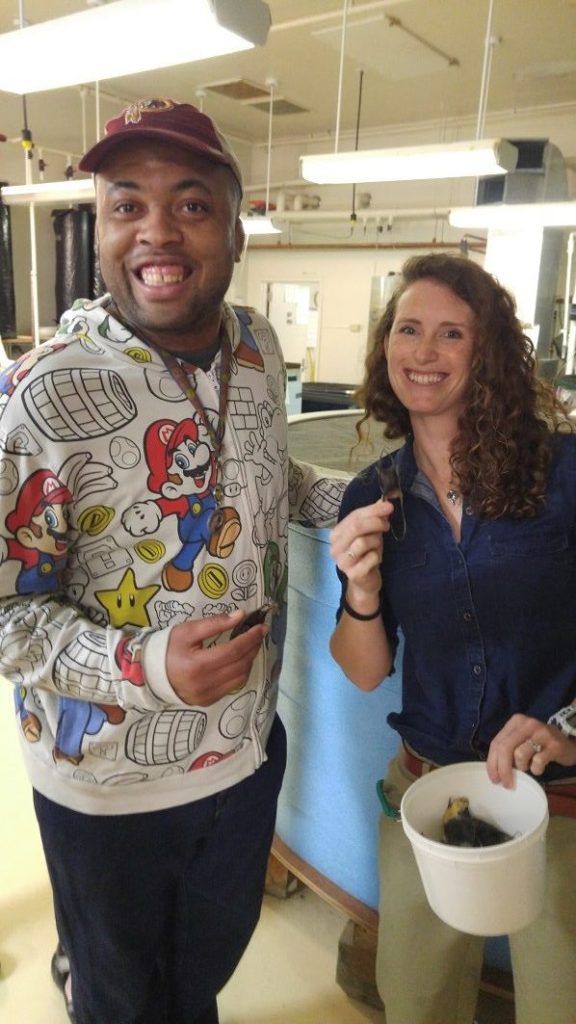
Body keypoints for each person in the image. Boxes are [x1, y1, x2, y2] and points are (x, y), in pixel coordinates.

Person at [0, 97, 346, 1024]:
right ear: (103, 226)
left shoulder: (259, 347)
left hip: (245, 752)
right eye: (127, 204)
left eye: (191, 204)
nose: (158, 229)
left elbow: (269, 467)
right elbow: (5, 613)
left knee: (198, 980)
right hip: (107, 785)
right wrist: (147, 665)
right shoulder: (45, 392)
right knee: (123, 1002)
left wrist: (359, 501)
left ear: (236, 230)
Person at [329, 252, 576, 1024]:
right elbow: (365, 672)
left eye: (450, 334)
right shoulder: (376, 493)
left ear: (489, 353)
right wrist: (363, 593)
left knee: (558, 1001)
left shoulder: (563, 471)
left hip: (560, 800)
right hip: (429, 789)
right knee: (416, 1000)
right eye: (408, 330)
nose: (423, 353)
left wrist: (566, 727)